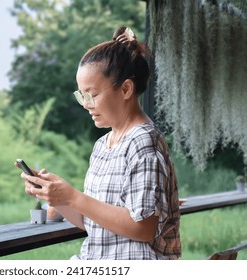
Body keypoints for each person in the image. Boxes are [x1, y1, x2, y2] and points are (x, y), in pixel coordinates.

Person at [15, 26, 181, 260]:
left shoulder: (143, 143)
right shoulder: (102, 146)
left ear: (125, 89)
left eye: (91, 95)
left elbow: (143, 229)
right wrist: (58, 198)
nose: (85, 104)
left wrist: (74, 196)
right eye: (81, 95)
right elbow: (91, 222)